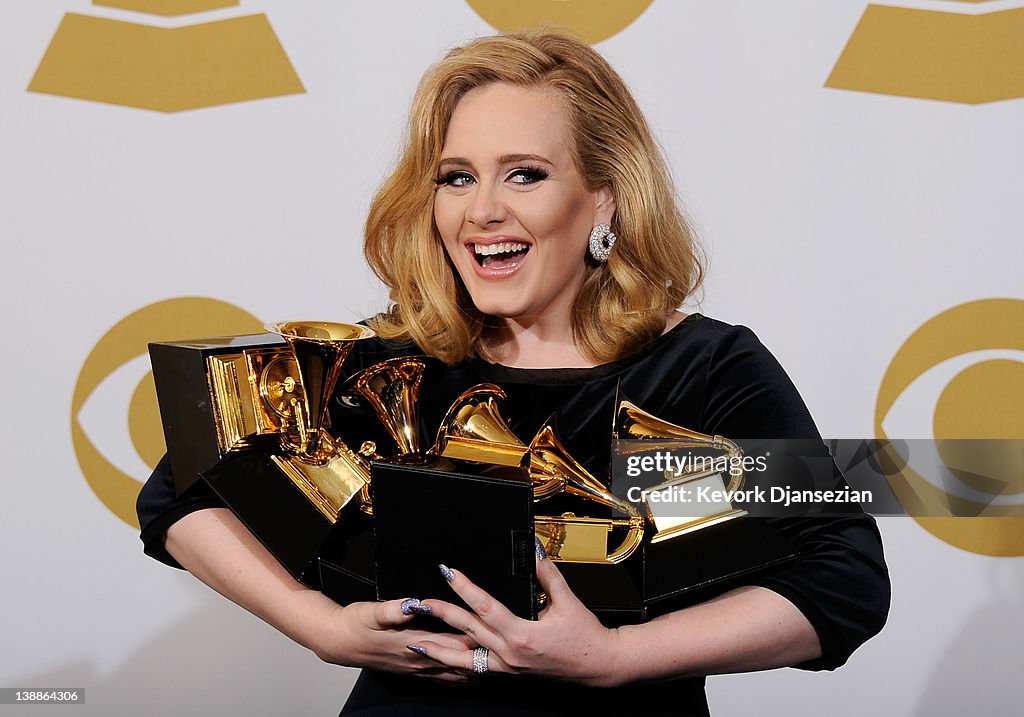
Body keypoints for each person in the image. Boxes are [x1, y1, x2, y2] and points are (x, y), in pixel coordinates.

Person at [138, 32, 889, 716]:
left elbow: (840, 578)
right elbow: (184, 485)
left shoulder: (698, 369)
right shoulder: (390, 361)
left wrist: (613, 658)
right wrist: (322, 627)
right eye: (457, 177)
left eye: (524, 174)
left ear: (605, 197)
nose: (483, 211)